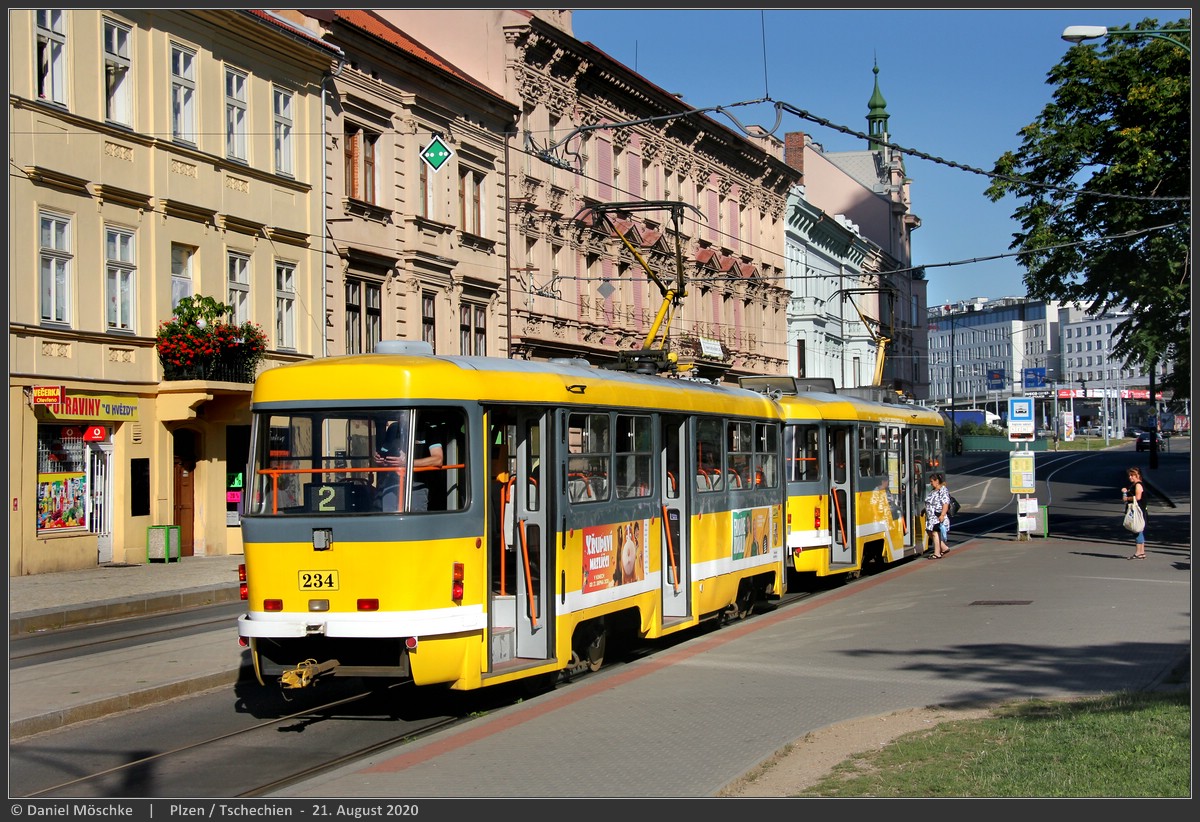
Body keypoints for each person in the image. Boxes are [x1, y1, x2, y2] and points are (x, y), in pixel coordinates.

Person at [1122, 466, 1148, 560]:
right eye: (1129, 475)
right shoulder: (1134, 485)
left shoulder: (1138, 485)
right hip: (1138, 510)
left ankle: (1138, 552)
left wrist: (1127, 498)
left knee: (1136, 529)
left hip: (1138, 511)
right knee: (1139, 530)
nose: (1130, 477)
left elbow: (1138, 497)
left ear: (1138, 475)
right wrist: (1125, 492)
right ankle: (1141, 552)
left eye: (1132, 475)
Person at [923, 472, 950, 559]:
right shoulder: (933, 490)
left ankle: (937, 553)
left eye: (932, 481)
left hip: (937, 516)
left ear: (937, 481)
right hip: (931, 517)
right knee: (929, 531)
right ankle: (944, 548)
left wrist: (942, 515)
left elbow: (945, 503)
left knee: (935, 533)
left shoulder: (943, 490)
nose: (930, 483)